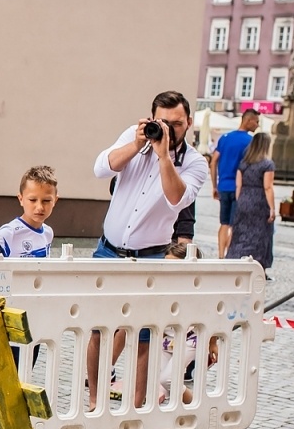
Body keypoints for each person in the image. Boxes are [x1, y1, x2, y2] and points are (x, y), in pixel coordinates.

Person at [87, 91, 209, 407]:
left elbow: (177, 199)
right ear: (151, 118)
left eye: (177, 124)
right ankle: (94, 401)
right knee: (98, 330)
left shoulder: (195, 163)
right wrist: (136, 144)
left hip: (152, 257)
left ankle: (136, 405)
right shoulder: (134, 136)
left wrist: (163, 156)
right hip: (108, 251)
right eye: (162, 122)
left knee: (143, 335)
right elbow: (102, 168)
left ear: (189, 123)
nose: (169, 129)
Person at [0, 166, 57, 265]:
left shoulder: (48, 232)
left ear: (55, 200)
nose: (40, 207)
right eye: (33, 200)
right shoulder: (11, 232)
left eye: (46, 201)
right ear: (21, 199)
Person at [209, 109, 259, 257]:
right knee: (235, 224)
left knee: (224, 223)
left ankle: (220, 255)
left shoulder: (225, 138)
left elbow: (213, 162)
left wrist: (214, 185)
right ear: (248, 120)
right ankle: (230, 254)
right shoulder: (250, 141)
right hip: (240, 188)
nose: (257, 125)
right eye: (256, 121)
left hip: (223, 186)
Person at [227, 132, 276, 271]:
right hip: (259, 200)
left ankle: (235, 259)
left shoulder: (243, 163)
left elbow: (238, 185)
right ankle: (257, 264)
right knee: (260, 235)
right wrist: (272, 208)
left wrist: (240, 201)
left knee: (240, 233)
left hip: (244, 199)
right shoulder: (267, 164)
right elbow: (268, 187)